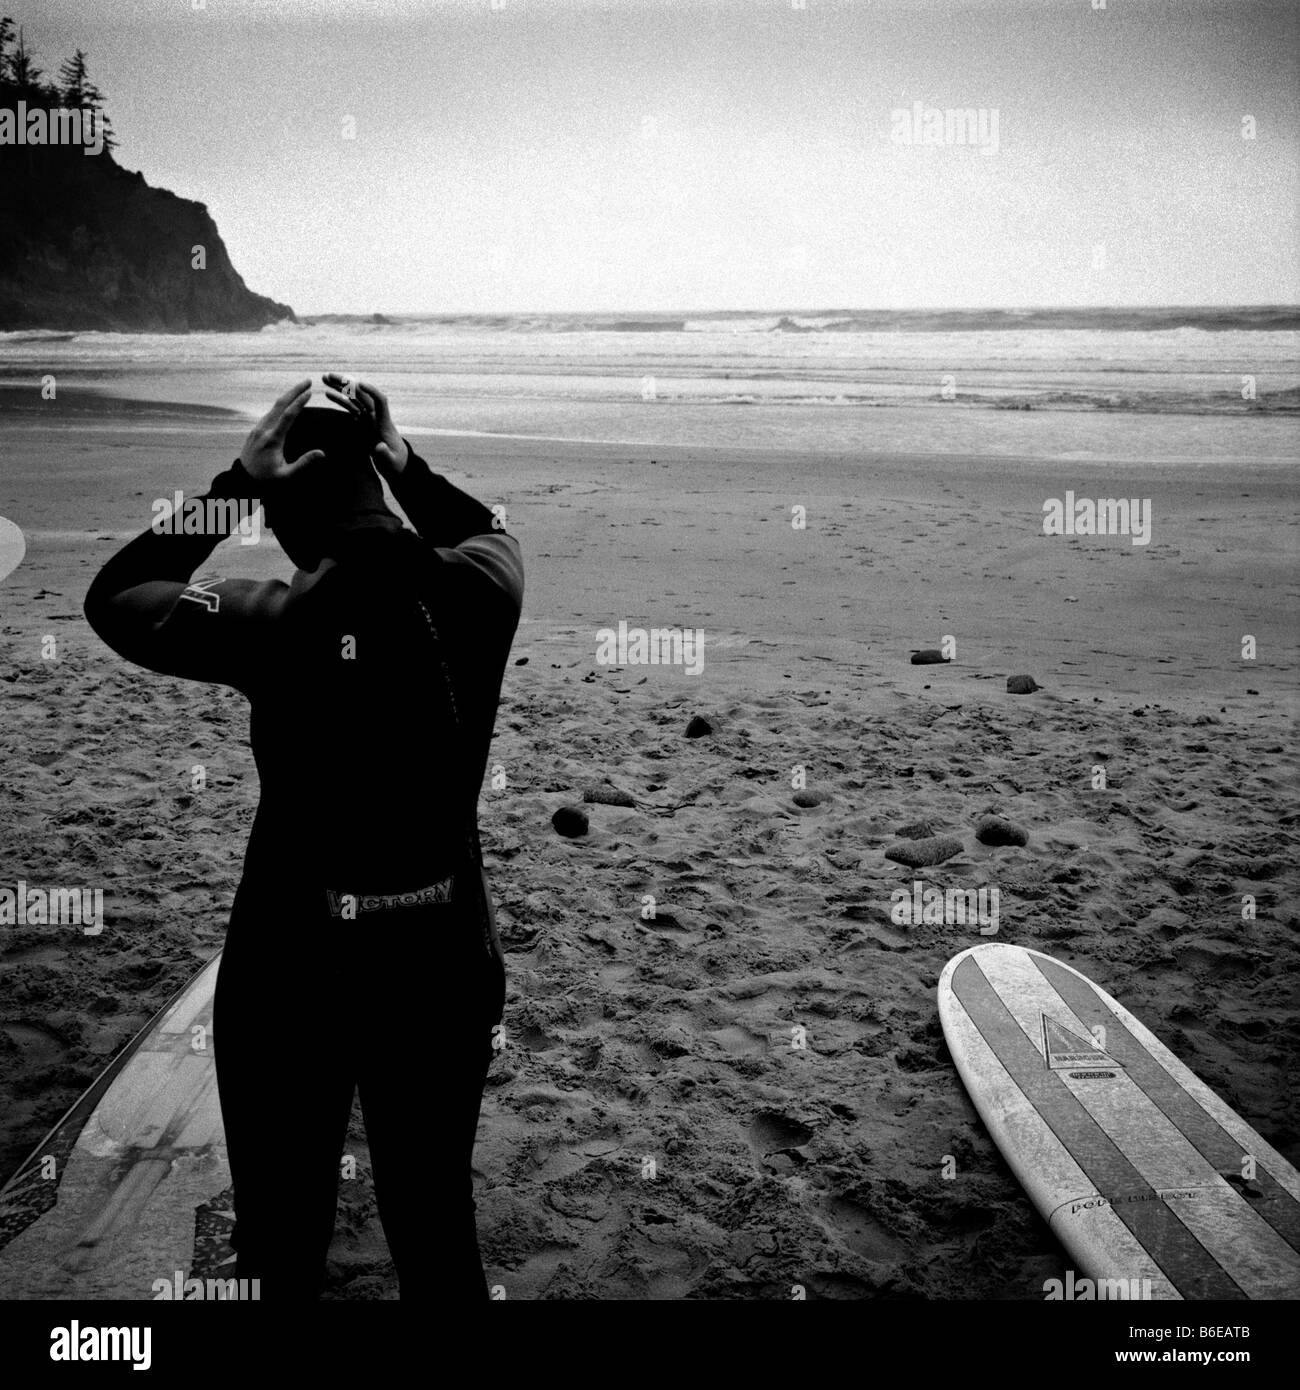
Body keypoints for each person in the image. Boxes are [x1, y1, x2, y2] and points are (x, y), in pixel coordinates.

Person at [83, 376, 523, 1300]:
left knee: (279, 1246)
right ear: (380, 478)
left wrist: (234, 486)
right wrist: (410, 465)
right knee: (437, 1230)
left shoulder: (267, 623)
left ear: (284, 512)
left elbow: (116, 592)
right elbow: (491, 530)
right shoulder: (483, 595)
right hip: (444, 958)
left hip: (293, 968)